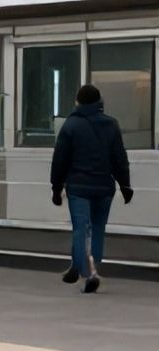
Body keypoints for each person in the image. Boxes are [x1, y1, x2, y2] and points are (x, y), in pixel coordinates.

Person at [51, 83, 134, 294]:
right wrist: (125, 184)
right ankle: (80, 265)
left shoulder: (70, 125)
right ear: (99, 102)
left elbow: (60, 160)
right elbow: (119, 158)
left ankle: (89, 274)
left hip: (78, 187)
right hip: (105, 187)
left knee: (81, 229)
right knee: (97, 229)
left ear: (77, 102)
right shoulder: (112, 124)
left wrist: (56, 187)